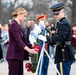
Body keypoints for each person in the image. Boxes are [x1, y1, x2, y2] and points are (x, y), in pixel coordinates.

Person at [6, 7, 37, 75]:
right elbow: (18, 41)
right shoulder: (13, 25)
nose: (25, 18)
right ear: (19, 14)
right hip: (13, 56)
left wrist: (34, 45)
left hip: (18, 56)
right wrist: (29, 50)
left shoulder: (19, 26)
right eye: (24, 16)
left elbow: (24, 42)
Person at [46, 3, 75, 75]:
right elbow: (58, 38)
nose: (55, 15)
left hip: (64, 54)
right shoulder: (60, 23)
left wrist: (48, 39)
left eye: (57, 13)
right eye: (54, 14)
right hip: (62, 53)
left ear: (62, 12)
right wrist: (49, 42)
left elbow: (60, 37)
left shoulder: (63, 23)